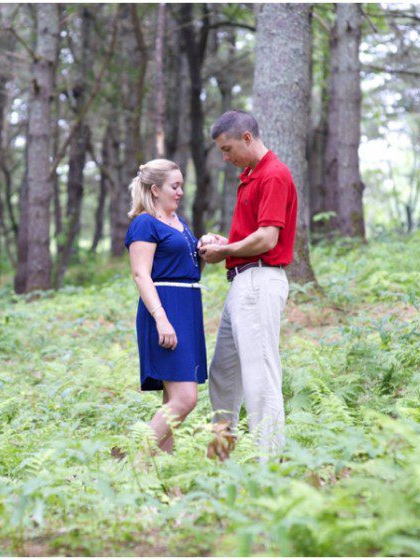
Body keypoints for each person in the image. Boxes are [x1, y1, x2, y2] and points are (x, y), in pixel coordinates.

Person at [198, 110, 296, 459]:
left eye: (227, 149)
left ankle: (269, 464)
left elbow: (268, 239)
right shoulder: (250, 176)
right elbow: (252, 235)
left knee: (260, 374)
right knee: (223, 373)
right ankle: (221, 458)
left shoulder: (273, 175)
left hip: (259, 280)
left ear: (247, 138)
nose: (225, 158)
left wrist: (225, 250)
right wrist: (225, 243)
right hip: (242, 281)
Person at [125, 159, 207, 453]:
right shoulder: (145, 223)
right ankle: (131, 455)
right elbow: (141, 274)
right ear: (155, 189)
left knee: (172, 401)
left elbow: (185, 265)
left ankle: (163, 477)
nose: (181, 191)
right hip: (165, 310)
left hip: (187, 310)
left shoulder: (178, 223)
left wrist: (206, 245)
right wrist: (161, 318)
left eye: (181, 185)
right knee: (185, 399)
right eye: (175, 186)